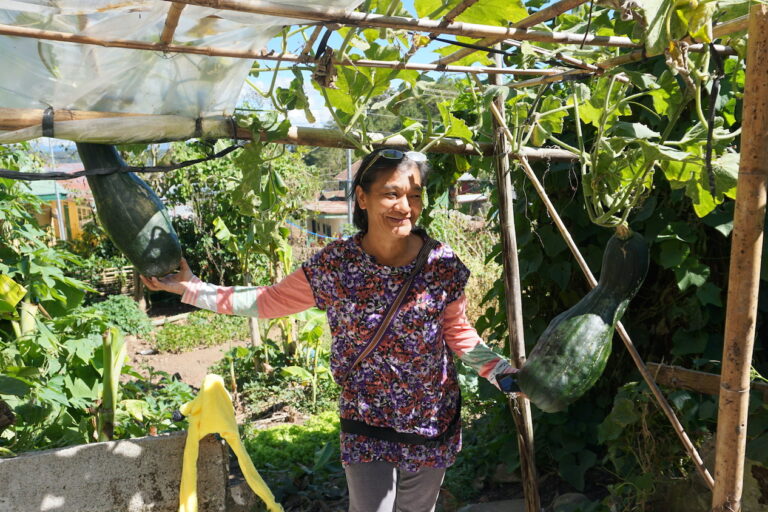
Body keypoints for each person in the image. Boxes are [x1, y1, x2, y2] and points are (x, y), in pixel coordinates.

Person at [142, 148, 519, 512]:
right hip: (365, 418)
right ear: (362, 198)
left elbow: (458, 332)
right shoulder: (336, 265)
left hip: (431, 418)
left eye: (414, 195)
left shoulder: (442, 263)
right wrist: (191, 288)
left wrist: (501, 372)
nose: (405, 207)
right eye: (391, 194)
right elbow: (268, 301)